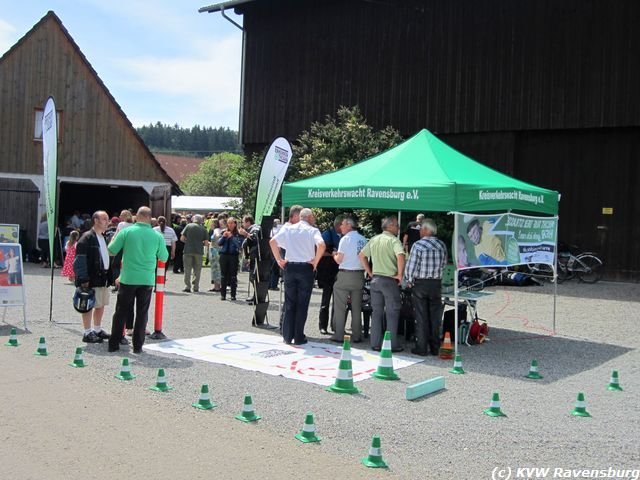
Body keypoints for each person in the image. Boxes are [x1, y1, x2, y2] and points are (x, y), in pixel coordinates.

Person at [107, 206, 168, 353]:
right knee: (142, 313)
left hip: (128, 277)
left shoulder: (127, 231)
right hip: (146, 279)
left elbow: (111, 250)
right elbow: (164, 257)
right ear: (149, 218)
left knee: (121, 311)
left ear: (137, 217)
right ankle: (138, 346)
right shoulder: (157, 236)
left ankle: (114, 343)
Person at [270, 208, 325, 345]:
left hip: (290, 266)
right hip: (306, 267)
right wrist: (315, 262)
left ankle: (287, 336)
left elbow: (272, 242)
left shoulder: (289, 229)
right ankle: (299, 336)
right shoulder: (313, 230)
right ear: (310, 217)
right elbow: (321, 245)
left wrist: (278, 260)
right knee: (302, 304)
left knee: (289, 302)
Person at [358, 215, 405, 352]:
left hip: (376, 280)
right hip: (389, 280)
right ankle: (392, 344)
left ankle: (375, 343)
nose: (398, 228)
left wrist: (370, 271)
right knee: (392, 312)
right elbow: (400, 255)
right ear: (390, 226)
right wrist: (400, 275)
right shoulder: (394, 240)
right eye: (396, 225)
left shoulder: (374, 239)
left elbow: (361, 255)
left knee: (377, 312)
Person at [403, 219, 448, 356]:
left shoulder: (418, 245)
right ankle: (435, 347)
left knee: (421, 316)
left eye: (422, 229)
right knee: (435, 316)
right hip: (436, 283)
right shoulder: (442, 245)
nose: (420, 231)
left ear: (427, 230)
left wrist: (409, 280)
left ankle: (421, 347)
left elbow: (411, 266)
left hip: (421, 284)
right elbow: (444, 264)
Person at [73, 210, 112, 344]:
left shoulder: (103, 236)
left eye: (107, 219)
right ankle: (87, 332)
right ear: (96, 221)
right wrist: (83, 278)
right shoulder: (87, 237)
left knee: (100, 304)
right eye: (104, 219)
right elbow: (80, 259)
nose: (108, 222)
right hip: (91, 276)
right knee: (88, 304)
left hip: (103, 276)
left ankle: (97, 329)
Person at [329, 217, 367, 343]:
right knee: (356, 307)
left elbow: (339, 260)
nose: (341, 227)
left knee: (340, 306)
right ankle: (357, 335)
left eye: (343, 224)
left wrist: (334, 254)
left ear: (349, 225)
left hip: (345, 274)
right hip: (359, 274)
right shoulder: (363, 239)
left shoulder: (345, 239)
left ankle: (339, 334)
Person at [316, 216, 343, 335]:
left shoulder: (344, 236)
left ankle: (335, 325)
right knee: (325, 301)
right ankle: (323, 325)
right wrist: (332, 253)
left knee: (338, 301)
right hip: (328, 271)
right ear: (338, 225)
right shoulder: (327, 234)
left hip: (339, 270)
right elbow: (320, 249)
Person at [180, 214, 209, 293]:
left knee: (187, 269)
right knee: (197, 270)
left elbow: (182, 238)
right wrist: (200, 243)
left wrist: (188, 242)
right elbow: (206, 243)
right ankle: (196, 287)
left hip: (188, 250)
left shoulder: (188, 226)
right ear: (201, 221)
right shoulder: (204, 229)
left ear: (193, 219)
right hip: (198, 251)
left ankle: (187, 286)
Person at [217, 217, 243, 301]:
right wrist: (224, 237)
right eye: (229, 223)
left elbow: (239, 245)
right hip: (224, 255)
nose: (230, 225)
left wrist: (232, 237)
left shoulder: (238, 233)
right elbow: (219, 243)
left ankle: (233, 295)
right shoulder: (224, 232)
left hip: (233, 256)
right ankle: (223, 295)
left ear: (235, 224)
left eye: (232, 223)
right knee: (223, 276)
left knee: (233, 276)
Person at [207, 217, 225, 292]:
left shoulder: (216, 230)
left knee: (216, 269)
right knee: (217, 269)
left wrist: (214, 243)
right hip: (216, 250)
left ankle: (217, 286)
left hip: (215, 251)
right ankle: (217, 286)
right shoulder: (219, 230)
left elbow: (218, 236)